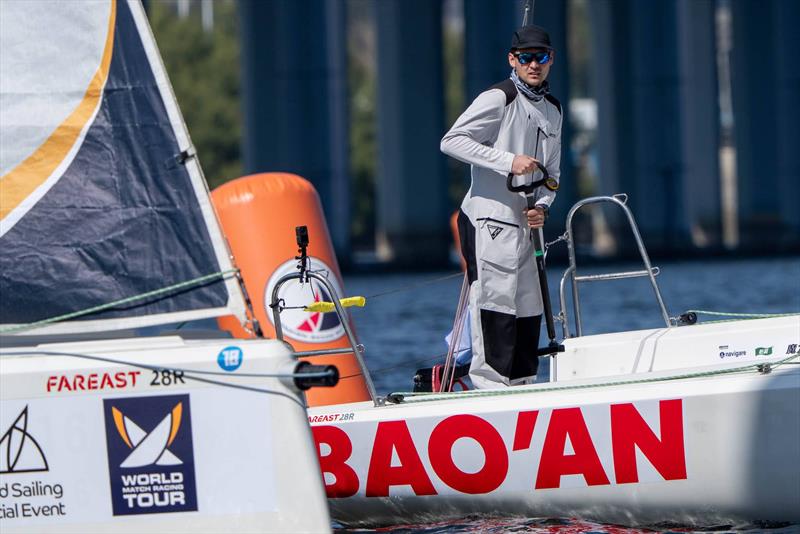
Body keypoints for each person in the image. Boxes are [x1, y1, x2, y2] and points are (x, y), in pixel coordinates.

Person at [440, 24, 562, 389]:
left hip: (529, 226)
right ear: (513, 60)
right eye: (526, 58)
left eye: (540, 57)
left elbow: (552, 173)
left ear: (550, 59)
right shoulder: (498, 98)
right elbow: (452, 141)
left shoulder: (554, 110)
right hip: (490, 221)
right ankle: (489, 387)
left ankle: (523, 384)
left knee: (529, 307)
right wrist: (508, 161)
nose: (534, 64)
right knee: (495, 304)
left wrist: (543, 204)